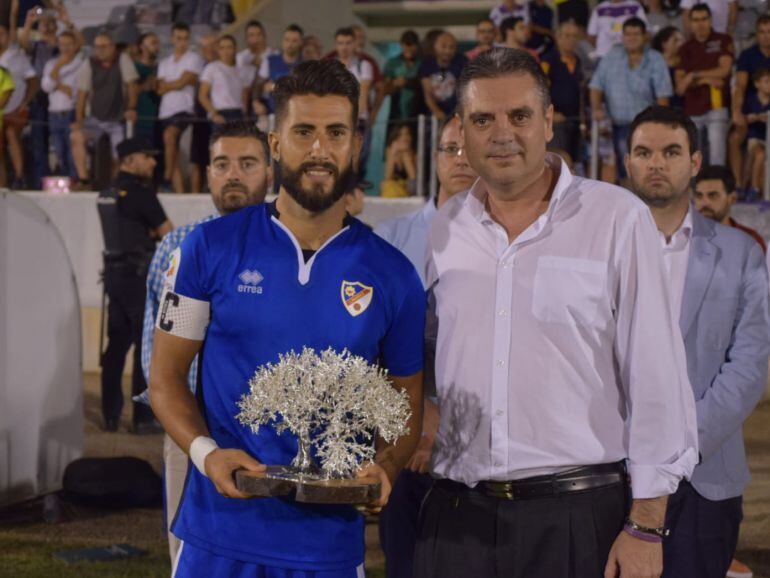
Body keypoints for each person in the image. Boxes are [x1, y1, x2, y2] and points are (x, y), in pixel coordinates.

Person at [413, 48, 698, 578]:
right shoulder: (446, 228)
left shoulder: (617, 219)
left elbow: (657, 377)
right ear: (463, 132)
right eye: (483, 119)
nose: (502, 134)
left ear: (548, 122)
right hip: (455, 518)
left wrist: (646, 525)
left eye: (519, 116)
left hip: (576, 518)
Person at [149, 59, 425, 578]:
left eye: (335, 133)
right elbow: (164, 381)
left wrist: (383, 469)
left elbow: (405, 400)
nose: (320, 150)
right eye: (304, 132)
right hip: (218, 538)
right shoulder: (207, 249)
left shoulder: (394, 276)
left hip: (329, 549)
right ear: (276, 143)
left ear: (355, 143)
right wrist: (208, 454)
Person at [624, 105, 770, 578]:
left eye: (671, 152)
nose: (656, 163)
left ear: (694, 161)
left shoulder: (740, 253)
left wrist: (685, 445)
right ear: (628, 163)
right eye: (644, 152)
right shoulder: (603, 250)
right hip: (612, 471)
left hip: (705, 475)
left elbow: (748, 364)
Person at [140, 121, 271, 564]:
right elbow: (154, 356)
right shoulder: (180, 246)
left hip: (269, 437)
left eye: (247, 163)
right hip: (191, 433)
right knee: (190, 555)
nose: (233, 174)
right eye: (222, 164)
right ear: (208, 173)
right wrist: (188, 432)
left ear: (270, 171)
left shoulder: (288, 250)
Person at [375, 116, 477, 578]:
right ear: (434, 158)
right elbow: (371, 340)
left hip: (480, 443)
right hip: (404, 438)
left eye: (468, 149)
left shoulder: (512, 239)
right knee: (405, 562)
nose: (460, 159)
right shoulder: (392, 239)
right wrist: (419, 415)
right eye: (449, 149)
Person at [97, 136, 173, 433]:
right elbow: (168, 233)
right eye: (147, 156)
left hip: (114, 277)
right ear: (130, 160)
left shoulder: (107, 191)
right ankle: (142, 419)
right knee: (145, 347)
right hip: (138, 278)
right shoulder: (141, 194)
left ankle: (110, 414)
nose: (153, 162)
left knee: (115, 348)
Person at [590, 17, 672, 181]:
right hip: (618, 123)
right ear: (622, 36)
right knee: (624, 166)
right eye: (628, 34)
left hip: (647, 125)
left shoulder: (655, 58)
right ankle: (628, 200)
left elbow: (663, 95)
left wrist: (662, 125)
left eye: (636, 34)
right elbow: (595, 86)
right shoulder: (612, 55)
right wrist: (597, 109)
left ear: (645, 36)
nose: (632, 38)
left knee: (644, 167)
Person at [71, 31, 139, 190]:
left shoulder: (123, 59)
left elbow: (132, 86)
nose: (100, 50)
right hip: (95, 119)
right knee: (76, 136)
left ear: (112, 47)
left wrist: (131, 108)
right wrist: (79, 119)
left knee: (120, 153)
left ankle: (118, 184)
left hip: (118, 119)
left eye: (104, 46)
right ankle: (84, 180)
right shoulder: (90, 63)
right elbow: (82, 93)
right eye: (97, 47)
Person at [675, 3, 733, 167]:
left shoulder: (722, 40)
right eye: (696, 20)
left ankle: (717, 190)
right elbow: (680, 87)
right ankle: (695, 191)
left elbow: (724, 71)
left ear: (710, 20)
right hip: (692, 108)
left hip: (717, 105)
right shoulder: (685, 48)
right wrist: (708, 79)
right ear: (690, 22)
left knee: (717, 156)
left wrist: (694, 75)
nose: (700, 24)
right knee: (693, 158)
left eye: (704, 19)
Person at [157, 22, 205, 194]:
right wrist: (176, 83)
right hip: (165, 111)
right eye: (178, 38)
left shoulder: (194, 58)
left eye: (185, 38)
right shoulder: (164, 62)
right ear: (172, 39)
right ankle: (177, 192)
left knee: (170, 136)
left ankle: (167, 176)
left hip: (184, 109)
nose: (182, 42)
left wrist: (172, 84)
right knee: (174, 153)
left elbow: (182, 82)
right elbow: (160, 87)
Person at [730, 15, 770, 189]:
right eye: (762, 32)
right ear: (756, 34)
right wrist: (737, 112)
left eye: (769, 32)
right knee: (735, 138)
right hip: (752, 110)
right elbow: (740, 86)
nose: (766, 36)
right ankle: (738, 185)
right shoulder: (748, 55)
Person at [693, 164, 767, 252]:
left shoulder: (751, 241)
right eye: (699, 196)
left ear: (732, 199)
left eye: (713, 196)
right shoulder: (684, 239)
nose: (704, 203)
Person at [41, 30, 83, 181]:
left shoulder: (81, 64)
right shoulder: (52, 64)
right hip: (54, 114)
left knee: (73, 152)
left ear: (75, 45)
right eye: (62, 44)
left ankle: (75, 180)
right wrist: (58, 67)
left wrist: (56, 85)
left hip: (71, 112)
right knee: (59, 152)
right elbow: (46, 87)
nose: (65, 48)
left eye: (68, 44)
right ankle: (65, 180)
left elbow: (77, 92)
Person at [541, 20, 585, 166]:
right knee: (557, 160)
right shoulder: (547, 61)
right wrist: (550, 112)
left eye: (574, 36)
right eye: (566, 36)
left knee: (576, 161)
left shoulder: (578, 61)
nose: (571, 40)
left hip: (575, 119)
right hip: (556, 121)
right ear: (557, 37)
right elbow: (541, 90)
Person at [0, 22, 35, 189]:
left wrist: (25, 102)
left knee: (11, 133)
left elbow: (33, 81)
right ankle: (2, 184)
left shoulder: (18, 57)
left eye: (1, 34)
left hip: (15, 110)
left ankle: (20, 177)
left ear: (7, 36)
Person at [199, 35, 249, 126]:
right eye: (222, 48)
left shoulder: (241, 71)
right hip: (221, 113)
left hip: (238, 114)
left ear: (235, 49)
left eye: (229, 47)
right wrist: (214, 114)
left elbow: (244, 95)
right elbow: (202, 95)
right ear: (218, 50)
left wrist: (244, 113)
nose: (226, 51)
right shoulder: (212, 67)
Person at [190, 32, 217, 193]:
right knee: (197, 159)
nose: (210, 50)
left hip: (216, 117)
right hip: (200, 118)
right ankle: (193, 194)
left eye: (213, 46)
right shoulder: (197, 67)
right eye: (206, 47)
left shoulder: (223, 66)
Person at [419, 31, 467, 122]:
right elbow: (427, 93)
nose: (447, 51)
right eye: (444, 46)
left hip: (457, 114)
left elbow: (465, 89)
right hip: (433, 116)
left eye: (451, 47)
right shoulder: (426, 64)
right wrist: (436, 111)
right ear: (435, 46)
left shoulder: (462, 62)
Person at [257, 24, 303, 113]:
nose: (290, 44)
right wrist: (256, 102)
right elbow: (259, 84)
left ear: (301, 42)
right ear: (282, 41)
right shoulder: (270, 61)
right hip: (274, 113)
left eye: (294, 41)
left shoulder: (305, 65)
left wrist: (275, 86)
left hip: (297, 114)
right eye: (287, 40)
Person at [743, 68, 770, 199]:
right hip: (755, 139)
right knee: (760, 154)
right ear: (757, 84)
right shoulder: (751, 100)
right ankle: (754, 188)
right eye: (766, 81)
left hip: (768, 139)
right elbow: (743, 118)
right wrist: (757, 117)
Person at [384, 30, 422, 124]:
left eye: (411, 45)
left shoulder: (423, 63)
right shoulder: (393, 63)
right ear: (401, 45)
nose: (408, 49)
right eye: (406, 45)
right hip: (397, 113)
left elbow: (425, 84)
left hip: (417, 112)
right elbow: (385, 88)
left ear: (417, 46)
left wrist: (407, 82)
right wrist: (394, 84)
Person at [133, 33, 161, 151]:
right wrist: (145, 85)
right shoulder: (133, 67)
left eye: (157, 43)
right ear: (142, 47)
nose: (157, 47)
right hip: (140, 121)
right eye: (153, 43)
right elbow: (128, 91)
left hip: (159, 120)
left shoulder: (162, 67)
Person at [651, 26, 685, 108]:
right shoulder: (654, 63)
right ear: (664, 44)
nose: (681, 44)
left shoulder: (685, 61)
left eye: (682, 40)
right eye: (675, 40)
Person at [381, 123, 417, 198]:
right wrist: (393, 153)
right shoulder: (390, 150)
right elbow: (388, 177)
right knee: (387, 185)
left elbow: (413, 179)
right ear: (396, 138)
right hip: (394, 190)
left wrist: (406, 157)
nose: (405, 138)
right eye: (400, 135)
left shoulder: (414, 153)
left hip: (410, 189)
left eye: (407, 134)